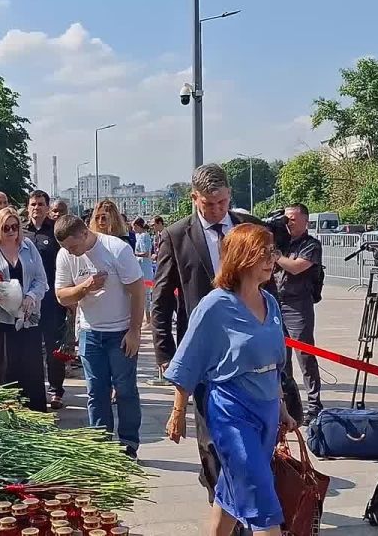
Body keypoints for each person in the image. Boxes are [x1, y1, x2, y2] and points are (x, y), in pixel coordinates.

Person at [151, 163, 273, 504]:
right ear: (194, 198)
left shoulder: (251, 230)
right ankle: (221, 500)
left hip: (251, 354)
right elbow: (160, 300)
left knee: (252, 439)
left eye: (222, 203)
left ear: (230, 195)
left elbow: (270, 291)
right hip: (204, 354)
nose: (218, 211)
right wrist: (166, 354)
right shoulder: (176, 236)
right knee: (212, 438)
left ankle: (242, 505)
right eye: (209, 204)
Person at [164, 224, 295, 536]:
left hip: (266, 410)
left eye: (272, 252)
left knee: (232, 490)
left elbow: (274, 364)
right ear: (241, 257)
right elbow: (188, 360)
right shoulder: (215, 305)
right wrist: (178, 412)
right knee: (261, 499)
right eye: (262, 253)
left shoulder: (270, 303)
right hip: (232, 412)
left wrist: (283, 408)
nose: (270, 259)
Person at [55, 214, 145, 457]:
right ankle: (100, 445)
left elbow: (138, 292)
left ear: (84, 233)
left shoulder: (116, 249)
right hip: (90, 333)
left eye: (73, 246)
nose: (71, 252)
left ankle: (129, 444)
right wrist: (84, 287)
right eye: (65, 248)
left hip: (120, 332)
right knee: (96, 391)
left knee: (125, 390)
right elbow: (62, 295)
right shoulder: (65, 255)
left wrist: (135, 331)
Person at [0, 207, 49, 412]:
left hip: (28, 315)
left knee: (32, 368)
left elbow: (41, 279)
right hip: (2, 318)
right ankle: (11, 414)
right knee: (8, 368)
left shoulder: (29, 247)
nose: (11, 231)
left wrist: (31, 296)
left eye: (15, 227)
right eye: (6, 227)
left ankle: (36, 414)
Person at [271, 203, 324, 424]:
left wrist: (274, 255)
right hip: (275, 301)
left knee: (305, 354)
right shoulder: (280, 242)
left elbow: (295, 267)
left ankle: (314, 404)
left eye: (293, 219)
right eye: (286, 219)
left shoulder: (311, 245)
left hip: (297, 304)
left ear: (306, 221)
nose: (288, 223)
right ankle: (289, 403)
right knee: (281, 358)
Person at [25, 191, 68, 409]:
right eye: (33, 204)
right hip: (28, 301)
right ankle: (35, 389)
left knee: (54, 348)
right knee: (31, 347)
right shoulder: (21, 232)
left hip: (53, 300)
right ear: (27, 207)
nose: (37, 208)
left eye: (41, 204)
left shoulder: (56, 232)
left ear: (47, 207)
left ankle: (56, 390)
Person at [132, 217, 154, 326]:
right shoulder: (138, 236)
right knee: (141, 294)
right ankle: (145, 318)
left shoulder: (145, 236)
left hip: (146, 270)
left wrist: (134, 254)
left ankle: (149, 319)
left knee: (146, 294)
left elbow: (146, 253)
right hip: (140, 269)